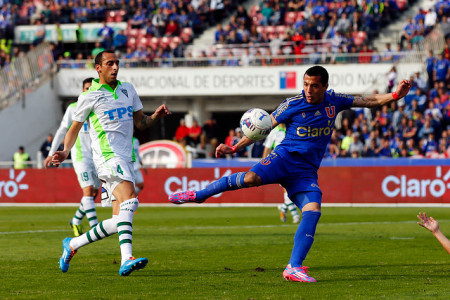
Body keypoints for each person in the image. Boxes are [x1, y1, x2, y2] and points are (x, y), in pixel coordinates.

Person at [169, 66, 412, 282]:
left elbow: (367, 100)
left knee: (313, 211)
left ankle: (293, 267)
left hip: (306, 171)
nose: (308, 90)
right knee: (251, 178)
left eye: (314, 86)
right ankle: (200, 195)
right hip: (283, 159)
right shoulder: (292, 104)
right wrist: (233, 147)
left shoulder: (334, 101)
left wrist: (394, 95)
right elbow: (262, 128)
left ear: (324, 86)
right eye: (306, 84)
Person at [52, 50, 171, 276]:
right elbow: (74, 128)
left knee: (118, 220)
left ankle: (72, 244)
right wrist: (65, 150)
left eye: (117, 63)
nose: (115, 67)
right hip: (107, 158)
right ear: (98, 68)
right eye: (110, 63)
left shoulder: (129, 89)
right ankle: (127, 258)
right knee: (131, 201)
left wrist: (155, 117)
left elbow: (141, 123)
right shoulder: (89, 96)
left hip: (126, 158)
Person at [44, 78, 101, 237]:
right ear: (82, 90)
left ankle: (76, 220)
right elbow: (62, 130)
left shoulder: (99, 108)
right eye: (86, 88)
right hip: (80, 155)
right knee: (88, 190)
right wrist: (51, 153)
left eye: (92, 88)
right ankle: (95, 228)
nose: (88, 91)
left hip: (97, 157)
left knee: (94, 193)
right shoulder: (73, 108)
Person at [263, 123, 300, 224]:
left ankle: (283, 208)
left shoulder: (292, 130)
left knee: (292, 189)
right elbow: (267, 148)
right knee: (287, 189)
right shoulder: (274, 132)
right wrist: (264, 165)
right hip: (279, 163)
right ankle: (295, 215)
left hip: (292, 162)